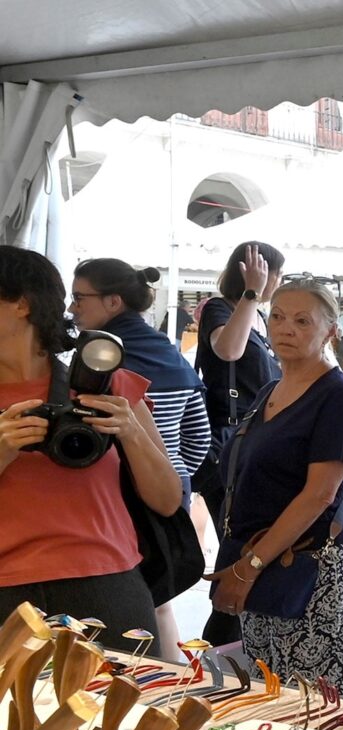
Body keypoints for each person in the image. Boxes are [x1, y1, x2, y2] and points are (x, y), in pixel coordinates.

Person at [0, 247, 181, 636]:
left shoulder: (107, 385)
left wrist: (130, 430)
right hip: (6, 592)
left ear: (22, 304)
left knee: (121, 681)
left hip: (107, 584)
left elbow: (168, 500)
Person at [207, 278, 343, 687]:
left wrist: (249, 567)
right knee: (264, 686)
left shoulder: (339, 396)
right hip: (258, 554)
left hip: (309, 562)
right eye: (277, 317)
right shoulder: (270, 390)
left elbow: (319, 495)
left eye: (302, 321)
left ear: (330, 331)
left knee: (309, 696)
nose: (286, 329)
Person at [69, 258, 214, 655]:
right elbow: (200, 437)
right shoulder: (171, 354)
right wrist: (173, 471)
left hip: (117, 496)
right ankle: (169, 680)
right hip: (170, 489)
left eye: (79, 298)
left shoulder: (97, 363)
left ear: (113, 301)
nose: (71, 308)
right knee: (160, 599)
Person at [195, 241, 284, 645]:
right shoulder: (221, 308)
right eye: (275, 273)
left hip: (258, 444)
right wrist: (251, 292)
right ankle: (219, 647)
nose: (276, 282)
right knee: (239, 548)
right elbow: (227, 351)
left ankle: (236, 644)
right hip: (229, 447)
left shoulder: (260, 316)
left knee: (252, 548)